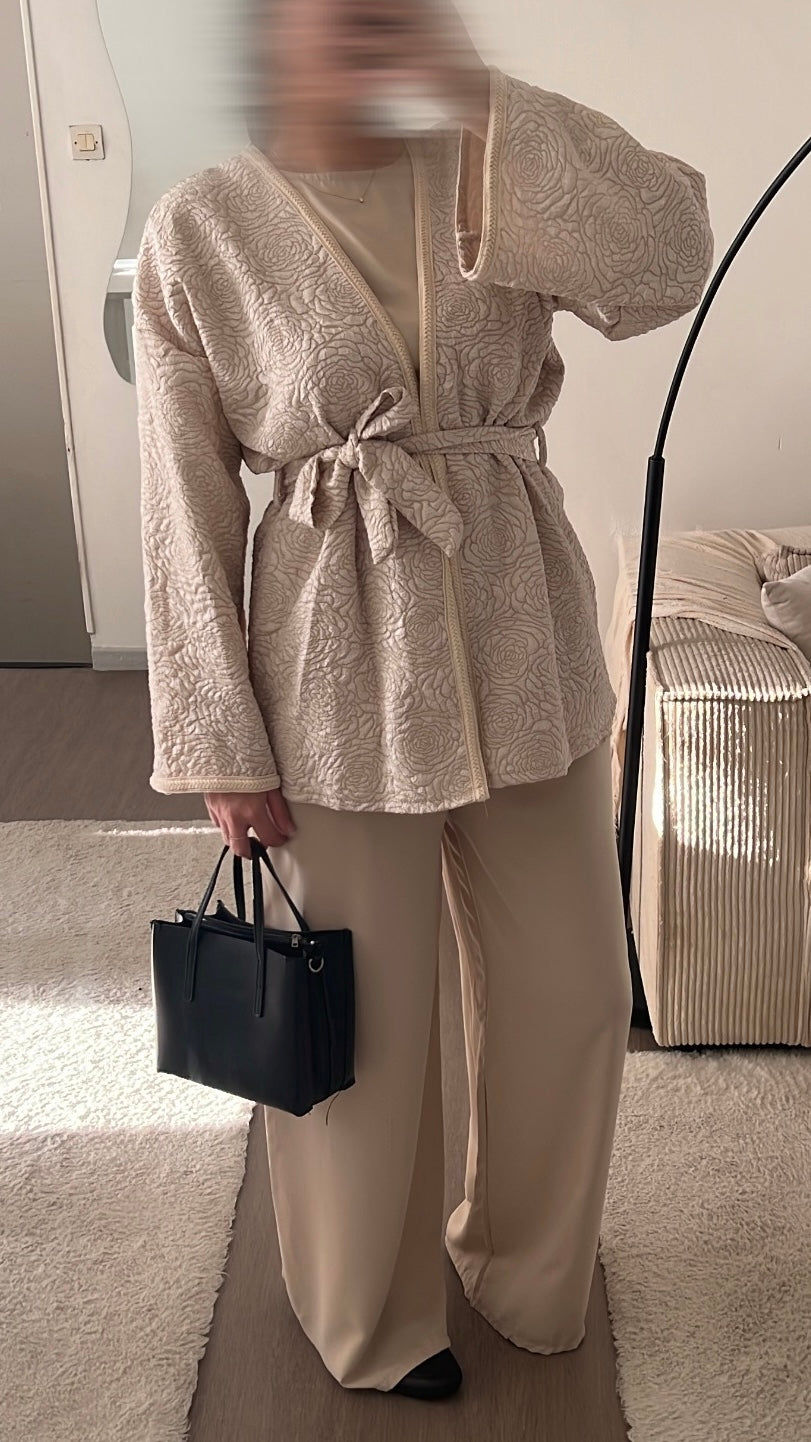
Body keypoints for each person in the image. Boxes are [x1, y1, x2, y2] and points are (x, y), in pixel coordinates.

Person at [133, 0, 713, 1403]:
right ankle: (369, 1314)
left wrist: (481, 97)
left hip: (524, 637)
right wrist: (218, 739)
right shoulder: (202, 227)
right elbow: (183, 502)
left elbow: (671, 255)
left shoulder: (484, 164)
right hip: (332, 663)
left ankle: (527, 1264)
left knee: (577, 987)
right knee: (368, 1024)